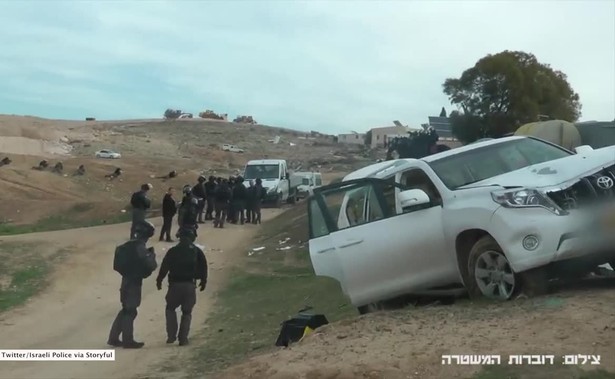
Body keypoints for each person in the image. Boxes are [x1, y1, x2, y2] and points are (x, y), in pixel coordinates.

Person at [156, 226, 208, 346]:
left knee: (170, 308)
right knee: (187, 312)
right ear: (192, 237)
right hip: (190, 285)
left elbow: (164, 267)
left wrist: (159, 280)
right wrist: (203, 281)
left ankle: (171, 336)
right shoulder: (196, 251)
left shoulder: (173, 251)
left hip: (174, 285)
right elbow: (203, 267)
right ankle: (183, 338)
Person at [108, 221, 156, 349]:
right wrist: (151, 255)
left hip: (126, 280)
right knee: (130, 311)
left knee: (126, 309)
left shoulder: (128, 246)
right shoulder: (140, 248)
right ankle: (127, 340)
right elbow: (149, 265)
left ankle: (113, 338)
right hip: (134, 281)